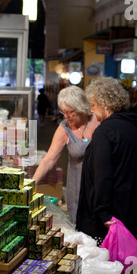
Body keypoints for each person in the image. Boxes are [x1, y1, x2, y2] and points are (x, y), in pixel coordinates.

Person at [76, 77, 137, 274]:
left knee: (106, 261)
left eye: (93, 104)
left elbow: (102, 176)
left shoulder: (105, 132)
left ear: (105, 104)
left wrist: (102, 213)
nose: (91, 110)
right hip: (136, 206)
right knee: (132, 256)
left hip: (112, 211)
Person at [33, 85, 99, 224]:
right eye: (63, 112)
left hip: (99, 187)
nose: (66, 116)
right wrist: (32, 184)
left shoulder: (99, 121)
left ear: (82, 108)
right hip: (78, 188)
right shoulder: (65, 127)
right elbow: (48, 160)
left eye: (70, 112)